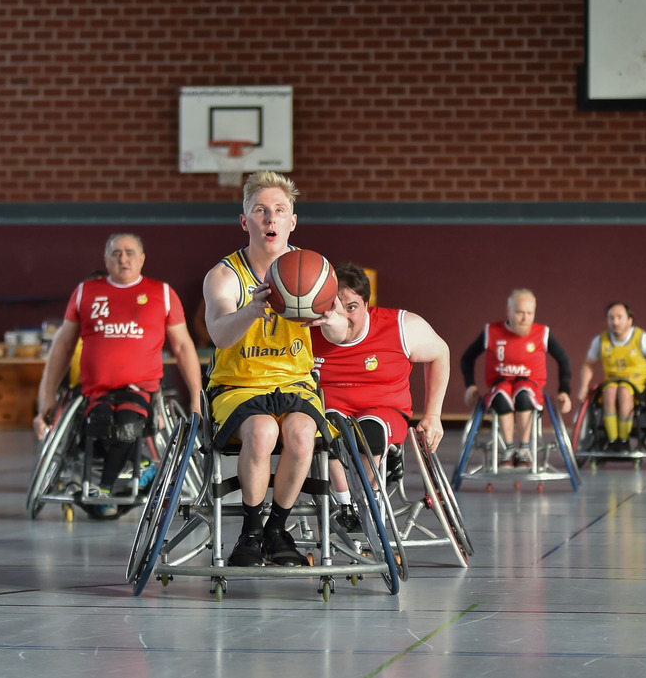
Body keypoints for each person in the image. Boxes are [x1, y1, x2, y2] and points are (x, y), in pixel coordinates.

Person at [202, 171, 347, 567]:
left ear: (292, 221)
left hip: (294, 382)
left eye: (279, 211)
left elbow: (340, 332)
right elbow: (219, 335)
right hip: (238, 384)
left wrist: (328, 321)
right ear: (244, 220)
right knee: (263, 430)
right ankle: (250, 528)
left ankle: (276, 529)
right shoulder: (225, 276)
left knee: (302, 435)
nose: (270, 219)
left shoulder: (315, 271)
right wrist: (250, 309)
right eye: (260, 210)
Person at [34, 234, 202, 518]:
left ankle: (106, 487)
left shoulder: (161, 293)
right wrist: (46, 399)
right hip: (96, 391)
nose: (123, 258)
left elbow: (184, 348)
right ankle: (135, 471)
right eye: (116, 253)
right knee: (98, 424)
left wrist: (196, 398)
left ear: (142, 258)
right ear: (106, 259)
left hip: (140, 389)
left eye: (129, 252)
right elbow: (61, 348)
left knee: (127, 424)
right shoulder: (86, 292)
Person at [311, 263, 450, 528]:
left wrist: (433, 415)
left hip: (383, 410)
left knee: (370, 432)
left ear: (366, 304)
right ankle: (345, 506)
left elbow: (440, 353)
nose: (344, 315)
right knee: (322, 430)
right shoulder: (310, 331)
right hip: (333, 410)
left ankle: (368, 500)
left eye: (351, 307)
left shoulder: (400, 325)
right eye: (335, 307)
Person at [460, 289, 572, 465]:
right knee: (500, 397)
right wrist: (470, 385)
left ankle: (525, 449)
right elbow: (467, 358)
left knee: (523, 395)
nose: (525, 318)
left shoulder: (542, 333)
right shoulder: (492, 331)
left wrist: (564, 390)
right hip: (501, 383)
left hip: (530, 385)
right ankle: (509, 449)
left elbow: (564, 360)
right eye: (520, 312)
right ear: (509, 311)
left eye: (529, 313)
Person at [577, 302, 646, 452]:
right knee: (609, 392)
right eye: (611, 318)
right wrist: (583, 386)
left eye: (619, 317)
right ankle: (613, 439)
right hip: (612, 383)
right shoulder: (601, 341)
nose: (615, 322)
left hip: (638, 385)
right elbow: (588, 364)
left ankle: (624, 439)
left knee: (624, 391)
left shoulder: (642, 338)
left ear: (629, 320)